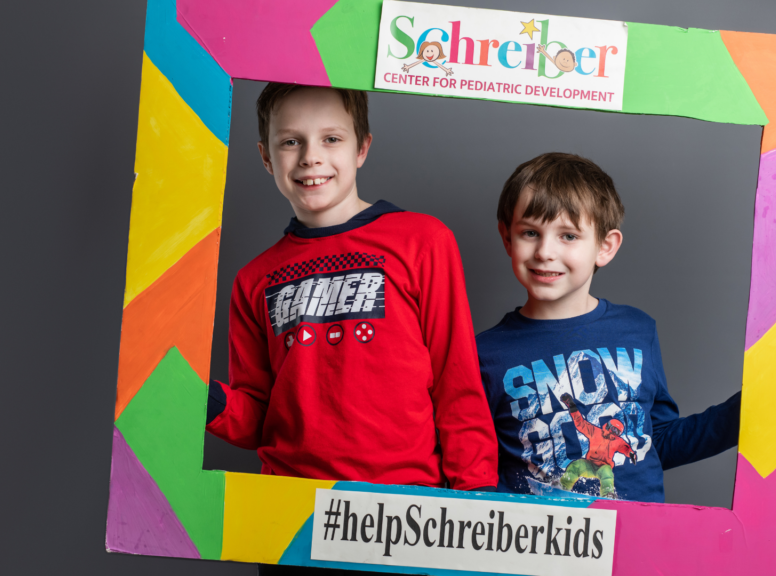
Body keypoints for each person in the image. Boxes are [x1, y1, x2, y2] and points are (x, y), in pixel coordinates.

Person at [205, 83, 498, 497]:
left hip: (403, 508)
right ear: (266, 158)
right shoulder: (254, 279)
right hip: (287, 511)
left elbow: (457, 382)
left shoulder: (423, 240)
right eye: (291, 141)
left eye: (331, 139)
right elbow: (257, 417)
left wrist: (476, 494)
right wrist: (199, 398)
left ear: (361, 147)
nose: (311, 157)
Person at [477, 152, 741, 503]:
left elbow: (656, 442)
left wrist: (744, 412)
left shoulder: (637, 331)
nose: (544, 251)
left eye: (568, 236)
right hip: (532, 547)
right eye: (530, 232)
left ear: (605, 247)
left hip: (633, 544)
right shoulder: (484, 354)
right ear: (507, 238)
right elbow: (471, 465)